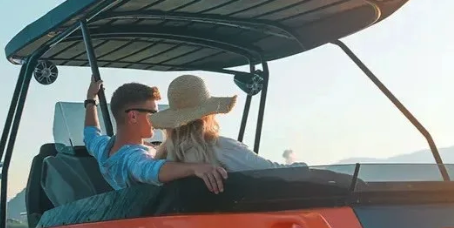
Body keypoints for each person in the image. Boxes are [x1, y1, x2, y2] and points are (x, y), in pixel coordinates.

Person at [82, 79, 228, 193]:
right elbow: (149, 169)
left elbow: (90, 135)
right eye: (153, 113)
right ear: (133, 116)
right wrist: (195, 168)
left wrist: (91, 100)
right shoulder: (131, 157)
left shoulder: (103, 148)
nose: (157, 118)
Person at [149, 75, 306, 171]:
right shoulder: (222, 148)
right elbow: (272, 171)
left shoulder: (162, 160)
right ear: (208, 115)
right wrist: (304, 168)